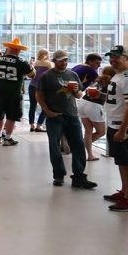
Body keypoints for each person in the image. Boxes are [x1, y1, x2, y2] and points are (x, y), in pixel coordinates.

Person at [37, 51, 97, 189]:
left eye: (66, 60)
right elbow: (39, 95)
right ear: (54, 61)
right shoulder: (46, 76)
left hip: (72, 115)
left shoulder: (73, 74)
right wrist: (48, 112)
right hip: (55, 117)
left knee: (78, 145)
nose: (64, 63)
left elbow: (79, 94)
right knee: (55, 147)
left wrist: (76, 91)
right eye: (60, 60)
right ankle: (58, 175)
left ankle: (79, 176)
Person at [102, 46, 128, 212]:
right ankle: (125, 192)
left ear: (127, 58)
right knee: (121, 161)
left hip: (123, 126)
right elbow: (118, 100)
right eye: (111, 57)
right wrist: (101, 96)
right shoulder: (118, 75)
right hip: (114, 124)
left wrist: (123, 129)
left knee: (127, 162)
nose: (113, 60)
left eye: (117, 57)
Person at [0, 39, 34, 146]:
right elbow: (32, 75)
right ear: (18, 50)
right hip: (14, 93)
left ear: (8, 48)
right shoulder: (22, 62)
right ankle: (7, 139)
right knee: (11, 116)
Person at [78, 63, 111, 162]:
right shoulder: (111, 82)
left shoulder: (97, 80)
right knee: (101, 132)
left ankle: (90, 155)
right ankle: (79, 147)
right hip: (94, 106)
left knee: (88, 131)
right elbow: (108, 96)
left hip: (83, 103)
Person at [27, 49, 53, 132]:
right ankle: (39, 125)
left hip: (32, 86)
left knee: (32, 106)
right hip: (42, 88)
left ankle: (32, 125)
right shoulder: (49, 64)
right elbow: (52, 75)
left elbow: (30, 75)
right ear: (46, 55)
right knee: (45, 106)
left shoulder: (35, 63)